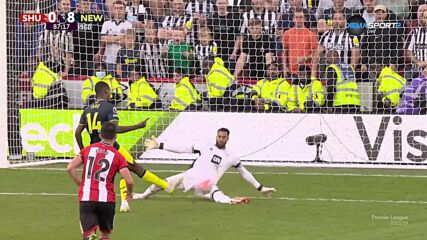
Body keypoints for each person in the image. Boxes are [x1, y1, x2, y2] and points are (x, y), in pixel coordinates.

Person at [75, 81, 172, 213]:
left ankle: (125, 203)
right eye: (109, 92)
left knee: (114, 174)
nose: (110, 95)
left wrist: (83, 151)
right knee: (134, 168)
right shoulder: (109, 107)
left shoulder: (87, 109)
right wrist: (138, 126)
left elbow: (77, 132)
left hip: (95, 150)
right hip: (111, 146)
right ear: (104, 92)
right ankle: (165, 185)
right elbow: (116, 129)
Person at [134, 128, 277, 204]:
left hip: (207, 183)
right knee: (161, 183)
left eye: (224, 137)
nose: (221, 139)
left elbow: (244, 172)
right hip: (190, 177)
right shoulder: (205, 146)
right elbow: (184, 149)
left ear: (228, 138)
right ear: (216, 136)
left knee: (214, 192)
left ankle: (228, 201)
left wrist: (260, 187)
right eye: (219, 136)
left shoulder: (231, 156)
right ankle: (142, 196)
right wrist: (160, 145)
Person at [67, 122, 134, 240]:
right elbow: (129, 180)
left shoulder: (87, 150)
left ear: (100, 135)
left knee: (88, 233)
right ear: (116, 136)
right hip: (107, 200)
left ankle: (90, 237)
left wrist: (81, 183)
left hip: (87, 199)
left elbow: (70, 167)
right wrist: (129, 192)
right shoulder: (118, 156)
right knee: (105, 235)